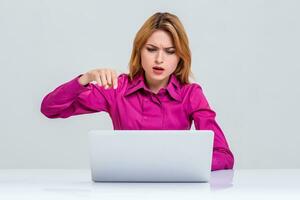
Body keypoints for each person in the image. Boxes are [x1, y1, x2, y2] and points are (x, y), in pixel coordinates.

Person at [41, 12, 234, 171]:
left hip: (173, 189)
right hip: (124, 187)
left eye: (169, 51)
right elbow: (50, 108)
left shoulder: (190, 94)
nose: (159, 59)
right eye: (151, 49)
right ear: (139, 51)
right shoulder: (116, 88)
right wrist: (86, 78)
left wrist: (181, 165)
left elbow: (223, 156)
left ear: (180, 57)